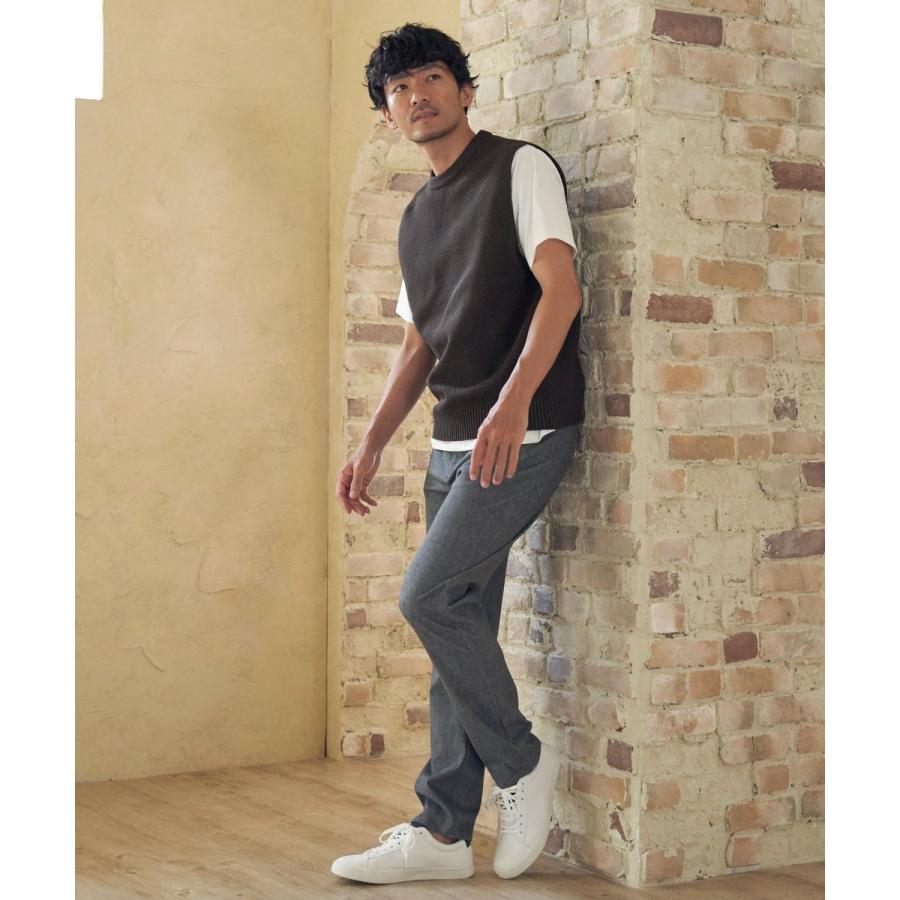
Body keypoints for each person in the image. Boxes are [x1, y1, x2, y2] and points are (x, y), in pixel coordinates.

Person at [332, 22, 586, 884]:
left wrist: (513, 405)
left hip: (528, 431)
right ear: (387, 113)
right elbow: (418, 347)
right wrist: (371, 443)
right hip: (451, 444)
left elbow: (561, 288)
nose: (418, 96)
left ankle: (521, 762)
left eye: (433, 78)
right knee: (457, 629)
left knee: (426, 597)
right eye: (399, 89)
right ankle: (443, 834)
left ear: (465, 89)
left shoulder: (519, 168)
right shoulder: (417, 216)